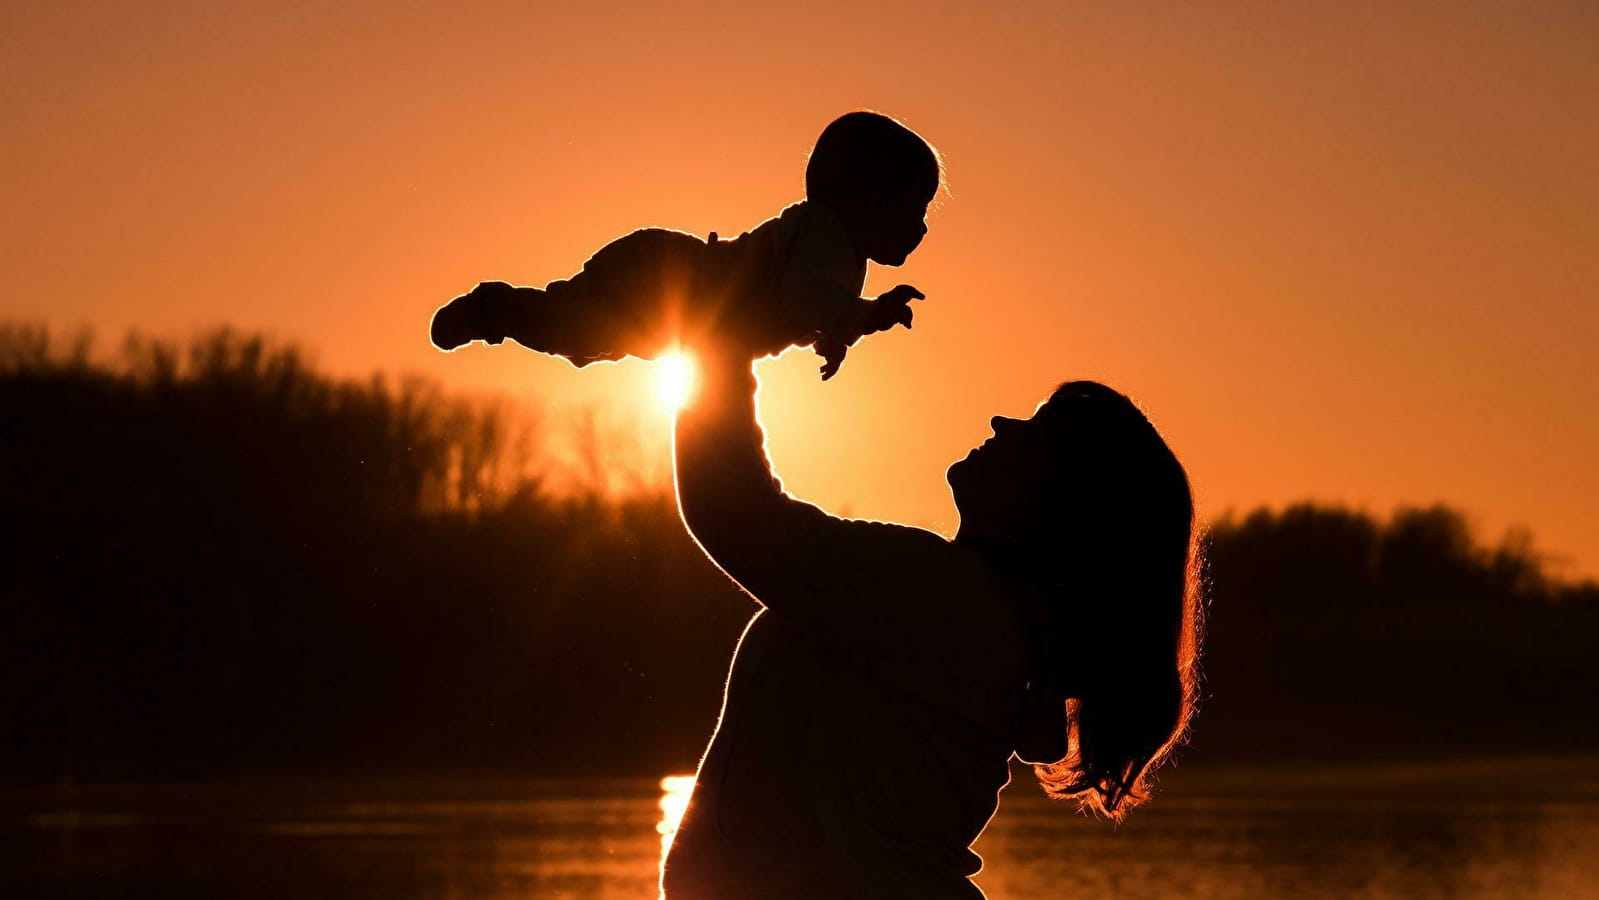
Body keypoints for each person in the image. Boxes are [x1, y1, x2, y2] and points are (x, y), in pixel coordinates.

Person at [662, 341, 1203, 899]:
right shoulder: (988, 627)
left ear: (1059, 506)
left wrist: (724, 342)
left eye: (1037, 431)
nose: (1001, 421)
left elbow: (734, 512)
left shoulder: (947, 598)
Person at [429, 111, 939, 380]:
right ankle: (494, 307)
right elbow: (804, 299)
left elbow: (808, 307)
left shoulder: (839, 255)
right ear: (867, 198)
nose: (920, 229)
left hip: (679, 290)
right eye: (912, 211)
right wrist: (865, 317)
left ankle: (502, 310)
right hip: (669, 280)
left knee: (583, 338)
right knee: (575, 329)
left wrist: (835, 336)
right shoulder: (825, 234)